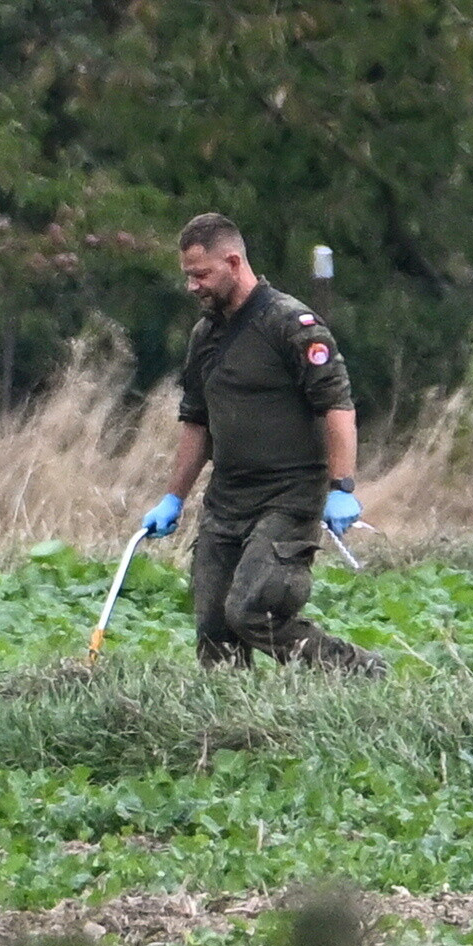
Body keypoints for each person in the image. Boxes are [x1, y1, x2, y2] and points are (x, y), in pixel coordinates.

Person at [139, 214, 387, 673]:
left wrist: (342, 486)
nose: (193, 286)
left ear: (233, 262)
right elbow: (196, 422)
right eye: (187, 276)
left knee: (252, 611)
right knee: (214, 631)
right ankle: (234, 726)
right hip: (226, 500)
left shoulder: (291, 324)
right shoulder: (205, 336)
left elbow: (337, 406)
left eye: (201, 274)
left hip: (288, 497)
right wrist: (173, 498)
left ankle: (356, 669)